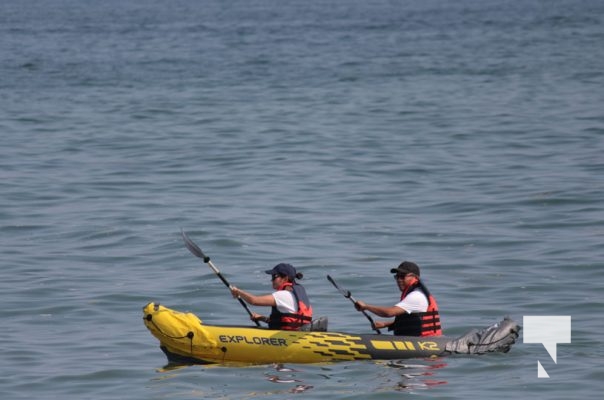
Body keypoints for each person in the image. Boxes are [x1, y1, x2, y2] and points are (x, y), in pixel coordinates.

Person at [354, 261, 442, 336]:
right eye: (397, 277)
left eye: (403, 276)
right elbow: (411, 321)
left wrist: (366, 306)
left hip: (425, 344)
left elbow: (389, 313)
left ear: (415, 278)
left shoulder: (416, 296)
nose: (399, 280)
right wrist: (385, 324)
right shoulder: (413, 294)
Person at [230, 263, 313, 330]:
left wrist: (238, 291)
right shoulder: (295, 294)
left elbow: (254, 300)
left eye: (274, 276)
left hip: (286, 338)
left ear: (285, 278)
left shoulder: (283, 295)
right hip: (295, 334)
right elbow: (287, 320)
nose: (271, 280)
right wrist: (262, 318)